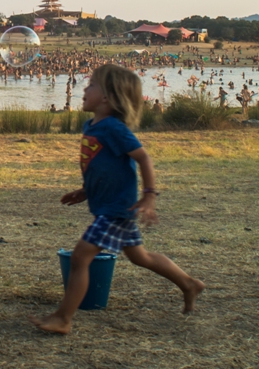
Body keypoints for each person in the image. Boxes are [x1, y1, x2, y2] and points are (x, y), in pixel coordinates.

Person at [30, 64, 204, 335]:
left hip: (116, 209)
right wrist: (86, 190)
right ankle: (188, 283)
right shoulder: (93, 126)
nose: (84, 89)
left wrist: (149, 195)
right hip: (111, 206)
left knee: (80, 257)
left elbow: (143, 158)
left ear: (107, 98)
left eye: (91, 85)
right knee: (140, 257)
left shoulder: (113, 128)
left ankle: (64, 318)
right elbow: (103, 166)